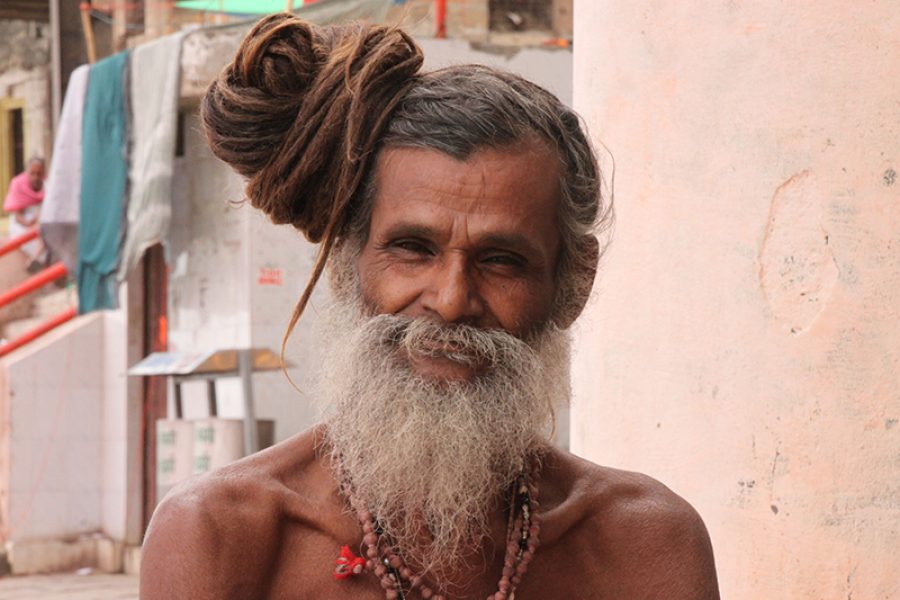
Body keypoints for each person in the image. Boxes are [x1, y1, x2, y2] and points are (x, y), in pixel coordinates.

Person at [141, 14, 720, 600]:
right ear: (347, 266)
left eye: (501, 260)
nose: (450, 301)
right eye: (412, 249)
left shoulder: (644, 545)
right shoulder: (222, 535)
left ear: (572, 285)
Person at [4, 156, 46, 266]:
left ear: (43, 174)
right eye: (32, 173)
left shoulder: (48, 185)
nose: (36, 177)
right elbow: (18, 215)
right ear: (27, 172)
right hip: (23, 222)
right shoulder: (18, 184)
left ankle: (36, 259)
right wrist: (29, 224)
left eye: (39, 174)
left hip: (42, 220)